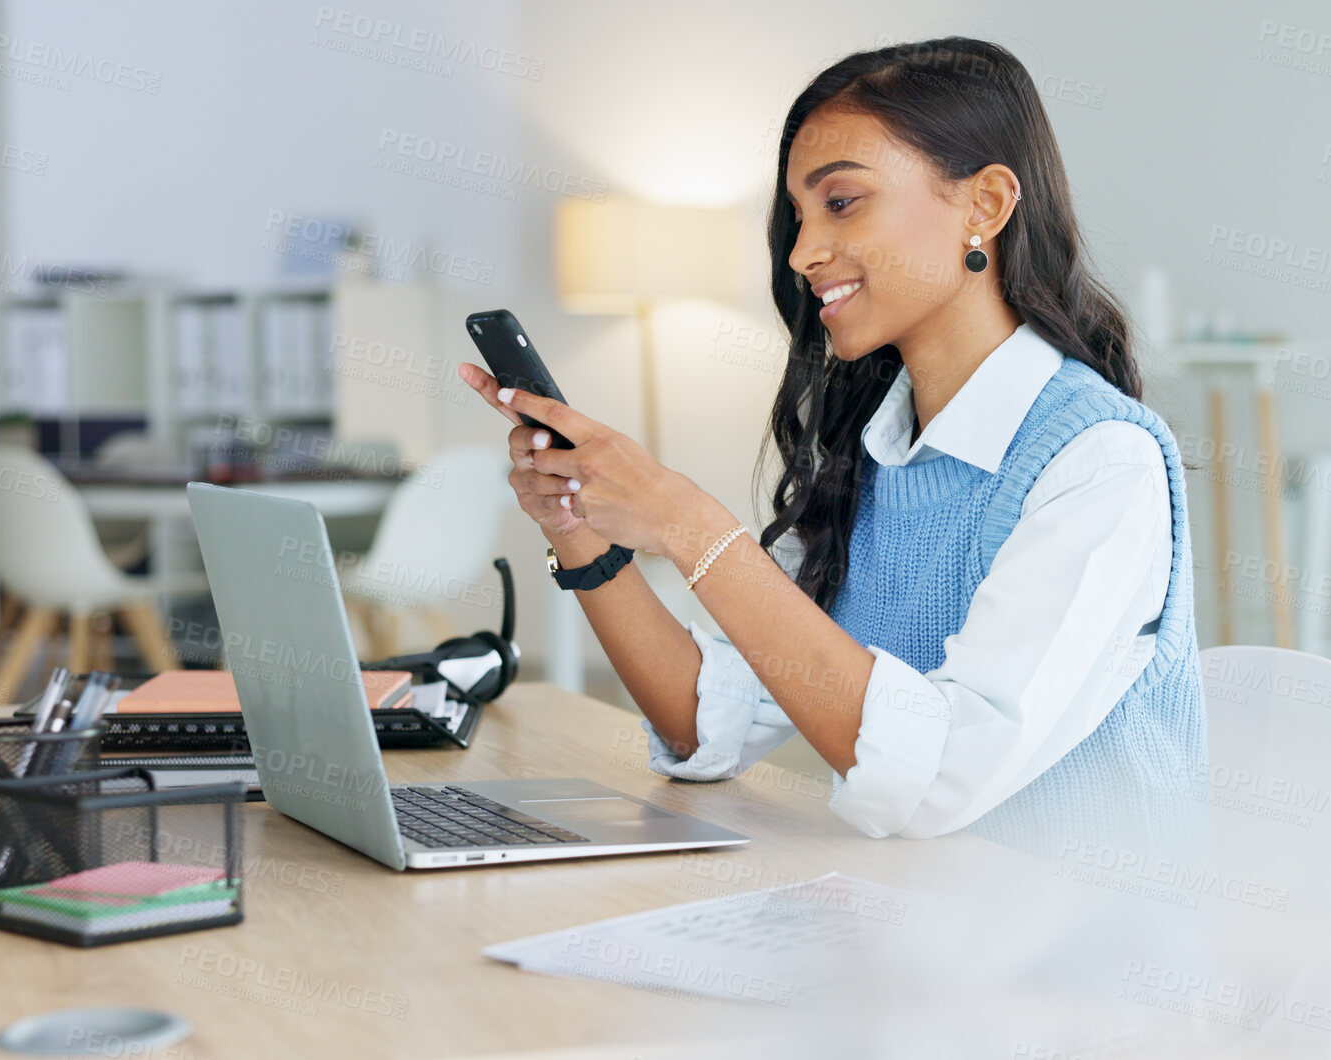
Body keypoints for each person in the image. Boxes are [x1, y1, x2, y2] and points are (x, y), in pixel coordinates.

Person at [460, 36, 1206, 855]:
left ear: (985, 206)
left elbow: (940, 778)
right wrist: (581, 537)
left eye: (840, 203)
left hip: (1087, 960)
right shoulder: (876, 450)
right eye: (798, 215)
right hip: (920, 931)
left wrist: (690, 526)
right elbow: (707, 721)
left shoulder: (1097, 460)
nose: (800, 253)